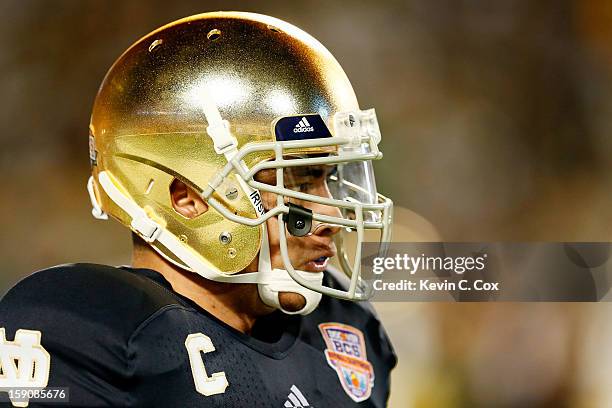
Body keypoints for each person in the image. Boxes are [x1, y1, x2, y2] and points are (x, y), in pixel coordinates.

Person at [0, 12, 396, 407]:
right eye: (298, 181)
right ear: (188, 196)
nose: (336, 218)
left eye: (327, 178)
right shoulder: (84, 327)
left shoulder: (343, 329)